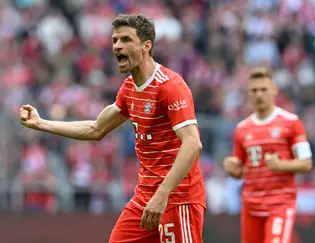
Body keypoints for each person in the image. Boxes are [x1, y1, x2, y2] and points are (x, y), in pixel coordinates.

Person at [20, 14, 206, 243]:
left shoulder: (170, 86)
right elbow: (96, 128)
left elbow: (192, 143)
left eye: (126, 40)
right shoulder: (129, 89)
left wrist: (162, 194)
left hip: (178, 199)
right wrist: (41, 123)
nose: (117, 46)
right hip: (144, 199)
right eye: (115, 40)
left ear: (146, 46)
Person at [223, 68, 313, 243]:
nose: (259, 95)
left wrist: (281, 165)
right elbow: (240, 169)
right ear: (249, 94)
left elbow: (307, 163)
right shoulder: (242, 128)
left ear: (274, 90)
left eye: (263, 89)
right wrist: (232, 168)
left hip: (280, 204)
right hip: (251, 206)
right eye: (254, 90)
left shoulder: (291, 122)